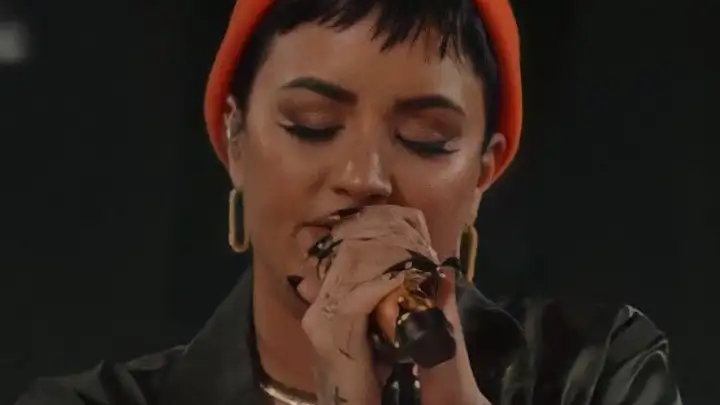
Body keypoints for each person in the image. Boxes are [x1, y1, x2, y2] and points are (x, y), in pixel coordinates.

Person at [16, 0, 682, 404]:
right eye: (312, 125)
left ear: (485, 170)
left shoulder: (596, 372)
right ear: (234, 140)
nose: (364, 178)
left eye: (426, 139)